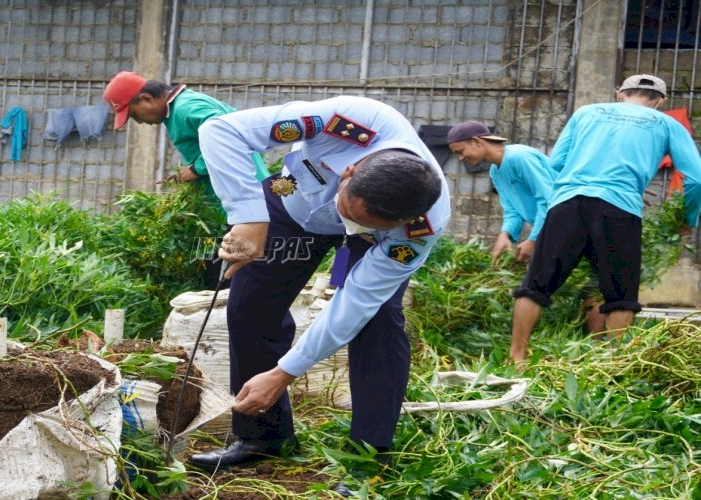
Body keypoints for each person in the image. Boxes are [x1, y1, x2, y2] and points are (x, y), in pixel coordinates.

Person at [185, 95, 451, 493]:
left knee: (376, 324)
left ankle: (368, 456)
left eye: (356, 221)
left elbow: (355, 303)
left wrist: (284, 373)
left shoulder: (420, 230)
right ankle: (264, 437)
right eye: (348, 209)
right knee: (249, 307)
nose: (344, 223)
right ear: (351, 169)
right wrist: (246, 217)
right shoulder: (342, 120)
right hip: (293, 199)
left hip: (371, 241)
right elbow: (219, 130)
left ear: (404, 221)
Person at [509, 74, 701, 363]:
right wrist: (689, 218)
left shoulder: (585, 113)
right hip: (619, 210)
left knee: (535, 285)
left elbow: (555, 164)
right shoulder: (667, 124)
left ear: (620, 93)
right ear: (660, 102)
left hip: (568, 205)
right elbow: (696, 180)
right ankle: (612, 368)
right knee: (620, 295)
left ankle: (516, 357)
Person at [102, 71, 271, 288]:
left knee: (228, 281)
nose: (139, 122)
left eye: (134, 115)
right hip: (231, 207)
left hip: (244, 206)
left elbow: (230, 133)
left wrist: (197, 168)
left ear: (146, 98)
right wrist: (191, 172)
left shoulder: (187, 108)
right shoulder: (179, 110)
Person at [447, 121, 605, 333]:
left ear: (476, 141)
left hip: (575, 224)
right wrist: (506, 235)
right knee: (567, 284)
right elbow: (512, 209)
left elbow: (549, 200)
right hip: (557, 227)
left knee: (588, 285)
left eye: (461, 151)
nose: (460, 158)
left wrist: (533, 239)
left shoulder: (520, 157)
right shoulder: (496, 171)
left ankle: (600, 345)